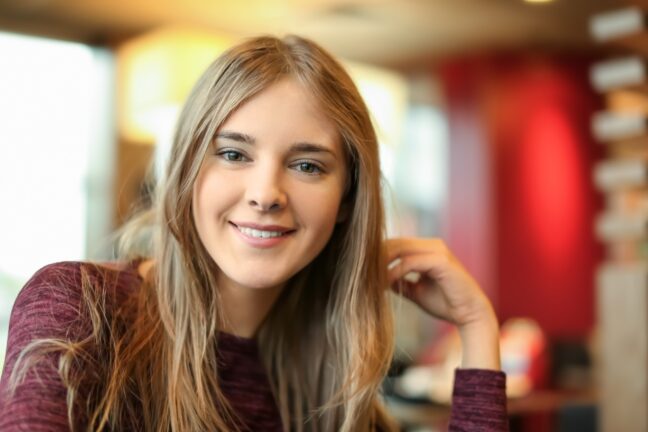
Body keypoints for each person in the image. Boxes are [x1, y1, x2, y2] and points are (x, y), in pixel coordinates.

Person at [0, 35, 507, 431]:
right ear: (187, 170)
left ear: (348, 199)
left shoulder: (329, 380)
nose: (266, 193)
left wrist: (476, 326)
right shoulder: (76, 309)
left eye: (307, 165)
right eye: (233, 154)